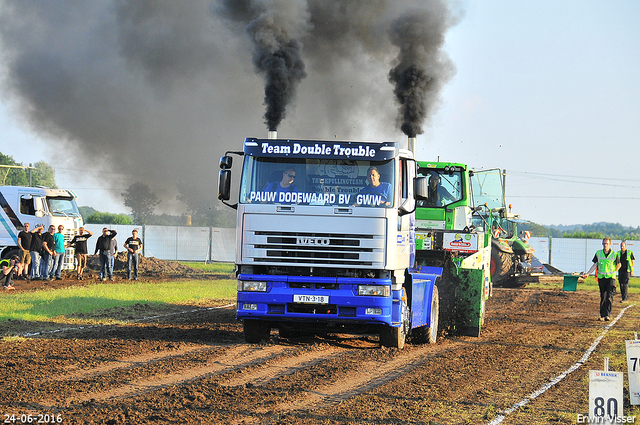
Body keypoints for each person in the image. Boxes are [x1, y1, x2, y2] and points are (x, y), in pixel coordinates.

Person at [582, 238, 621, 321]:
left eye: (606, 243)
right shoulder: (598, 253)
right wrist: (588, 274)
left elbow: (619, 264)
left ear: (610, 244)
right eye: (604, 243)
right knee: (603, 296)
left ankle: (608, 314)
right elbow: (594, 265)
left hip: (611, 278)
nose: (605, 245)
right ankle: (602, 315)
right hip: (601, 278)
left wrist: (614, 271)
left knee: (609, 296)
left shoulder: (614, 254)